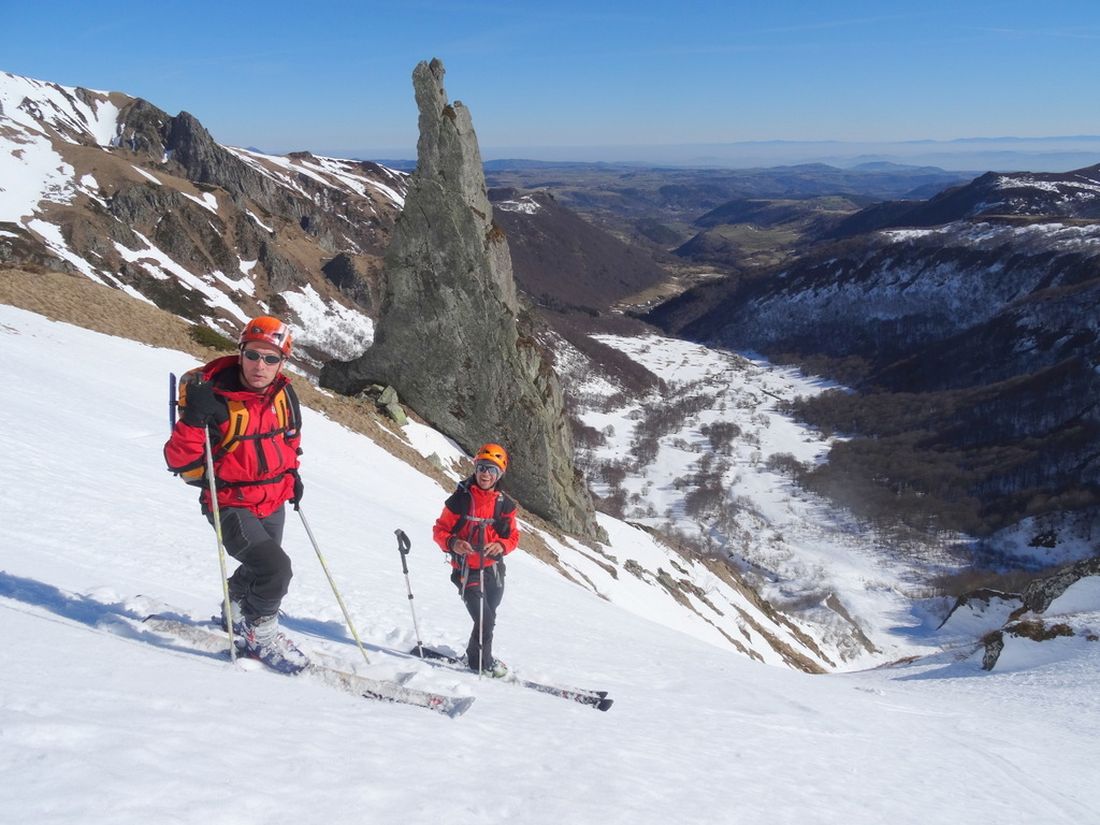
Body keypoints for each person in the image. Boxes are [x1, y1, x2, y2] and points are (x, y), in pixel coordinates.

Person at [164, 315, 308, 674]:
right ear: (241, 353)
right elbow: (178, 460)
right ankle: (260, 633)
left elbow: (289, 439)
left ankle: (236, 604)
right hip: (229, 502)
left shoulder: (283, 395)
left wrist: (293, 477)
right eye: (254, 355)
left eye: (271, 358)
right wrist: (195, 419)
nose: (261, 366)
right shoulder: (212, 397)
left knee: (259, 565)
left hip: (273, 498)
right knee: (276, 569)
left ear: (282, 363)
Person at [432, 443, 520, 676]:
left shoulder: (504, 505)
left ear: (499, 474)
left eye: (492, 469)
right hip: (466, 571)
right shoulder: (460, 499)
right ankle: (483, 663)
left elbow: (512, 536)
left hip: (493, 572)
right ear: (475, 468)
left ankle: (473, 656)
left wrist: (501, 545)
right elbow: (439, 530)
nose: (485, 474)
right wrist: (453, 543)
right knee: (485, 619)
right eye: (482, 467)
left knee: (487, 617)